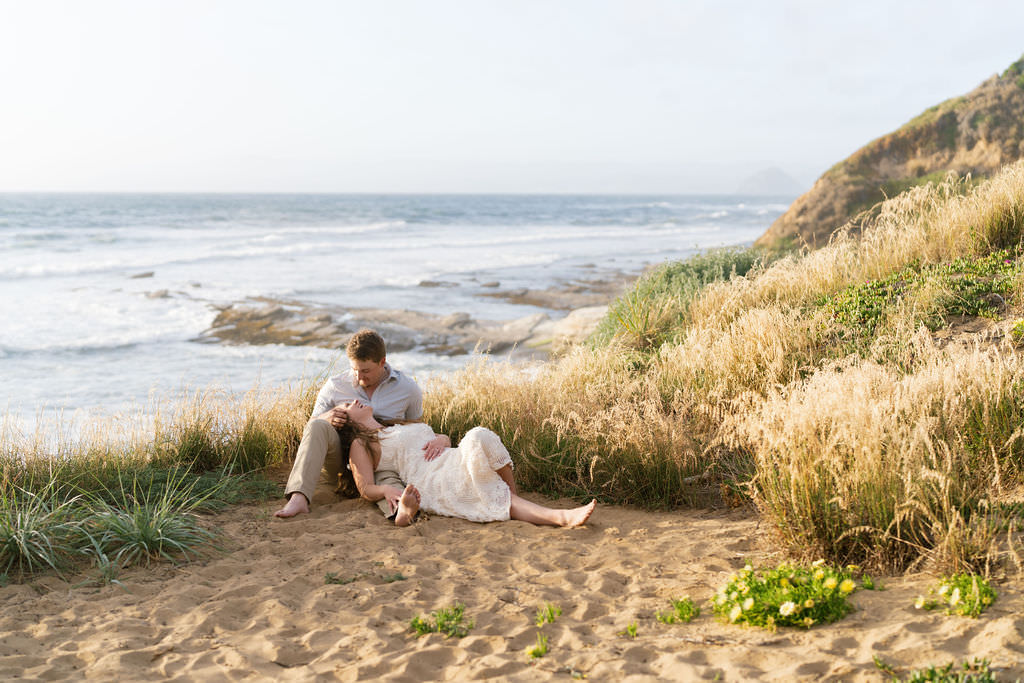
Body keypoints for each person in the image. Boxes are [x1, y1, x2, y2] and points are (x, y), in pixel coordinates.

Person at [340, 398, 597, 528]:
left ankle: (510, 494)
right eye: (347, 405)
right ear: (347, 420)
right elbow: (365, 487)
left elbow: (437, 438)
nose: (354, 401)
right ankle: (561, 517)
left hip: (450, 456)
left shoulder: (395, 426)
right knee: (479, 456)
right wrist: (386, 490)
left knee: (479, 435)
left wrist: (441, 439)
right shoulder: (360, 443)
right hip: (431, 475)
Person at [275, 329, 446, 519]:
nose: (358, 377)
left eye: (365, 371)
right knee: (317, 425)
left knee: (388, 484)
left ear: (382, 362)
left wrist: (440, 439)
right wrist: (327, 417)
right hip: (340, 459)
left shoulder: (407, 388)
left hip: (382, 460)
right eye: (354, 370)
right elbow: (311, 426)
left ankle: (401, 511)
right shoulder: (335, 386)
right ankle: (298, 498)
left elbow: (415, 429)